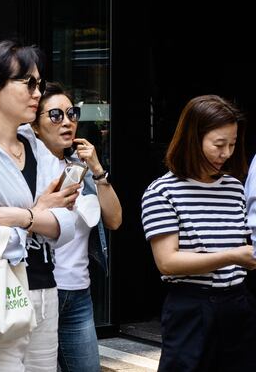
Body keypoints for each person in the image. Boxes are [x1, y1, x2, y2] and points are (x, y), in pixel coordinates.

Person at [0, 40, 79, 372]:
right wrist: (40, 216)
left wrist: (20, 216)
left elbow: (67, 225)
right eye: (29, 83)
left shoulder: (36, 145)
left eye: (41, 84)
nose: (38, 93)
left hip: (44, 288)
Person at [142, 95, 256, 371]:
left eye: (232, 144)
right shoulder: (162, 192)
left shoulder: (234, 187)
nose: (226, 153)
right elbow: (168, 261)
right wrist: (234, 256)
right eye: (219, 144)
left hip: (237, 302)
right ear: (193, 139)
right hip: (191, 306)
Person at [32, 82, 122, 372]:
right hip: (40, 292)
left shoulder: (79, 168)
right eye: (56, 115)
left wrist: (98, 170)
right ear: (35, 126)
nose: (67, 121)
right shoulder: (27, 169)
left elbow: (115, 220)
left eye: (72, 114)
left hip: (78, 292)